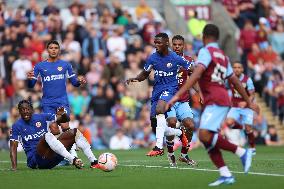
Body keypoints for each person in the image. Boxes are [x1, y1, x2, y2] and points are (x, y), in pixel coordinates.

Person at [168, 24, 259, 186]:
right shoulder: (223, 55)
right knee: (206, 138)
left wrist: (177, 94)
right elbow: (235, 81)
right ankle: (225, 174)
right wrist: (249, 101)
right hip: (220, 98)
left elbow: (197, 72)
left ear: (204, 37)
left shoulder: (206, 51)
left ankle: (242, 152)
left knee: (204, 135)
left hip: (216, 98)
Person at [126, 33, 191, 156]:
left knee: (160, 109)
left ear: (167, 43)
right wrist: (135, 78)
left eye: (159, 42)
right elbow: (145, 73)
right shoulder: (152, 58)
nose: (156, 45)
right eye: (155, 42)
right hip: (157, 90)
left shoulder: (175, 57)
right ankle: (180, 133)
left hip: (170, 88)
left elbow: (191, 68)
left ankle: (159, 147)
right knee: (156, 127)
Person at [27, 40, 86, 164]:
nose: (53, 50)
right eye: (51, 48)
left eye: (56, 48)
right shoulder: (39, 66)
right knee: (53, 129)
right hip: (47, 102)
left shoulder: (65, 65)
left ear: (59, 50)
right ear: (47, 50)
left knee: (65, 126)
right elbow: (31, 84)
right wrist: (29, 79)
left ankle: (72, 155)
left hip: (62, 101)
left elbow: (74, 82)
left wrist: (80, 81)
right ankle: (63, 156)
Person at [10, 100, 102, 170]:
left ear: (32, 110)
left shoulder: (42, 117)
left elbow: (64, 119)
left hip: (53, 156)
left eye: (27, 109)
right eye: (22, 110)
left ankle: (94, 162)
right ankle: (73, 159)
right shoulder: (16, 126)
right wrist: (14, 168)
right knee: (47, 135)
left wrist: (63, 114)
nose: (25, 111)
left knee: (74, 132)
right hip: (37, 161)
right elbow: (13, 147)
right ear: (19, 111)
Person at [165, 35, 200, 167]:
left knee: (190, 125)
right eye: (175, 45)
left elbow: (193, 80)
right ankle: (170, 153)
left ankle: (184, 155)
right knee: (172, 122)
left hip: (183, 100)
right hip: (169, 100)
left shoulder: (189, 61)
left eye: (179, 45)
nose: (177, 47)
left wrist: (199, 93)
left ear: (183, 46)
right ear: (171, 45)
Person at [225, 62, 256, 154]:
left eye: (239, 67)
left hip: (247, 107)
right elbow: (225, 89)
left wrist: (246, 102)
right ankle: (242, 126)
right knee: (229, 122)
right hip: (235, 107)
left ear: (242, 69)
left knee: (249, 128)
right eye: (235, 67)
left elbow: (252, 95)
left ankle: (252, 147)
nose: (237, 69)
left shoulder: (247, 80)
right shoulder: (229, 79)